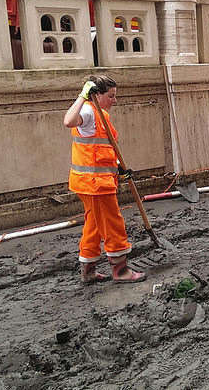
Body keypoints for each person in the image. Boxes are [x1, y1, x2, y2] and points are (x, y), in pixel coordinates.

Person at [63, 75, 146, 284]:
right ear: (97, 95)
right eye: (111, 96)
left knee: (93, 225)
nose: (115, 100)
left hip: (92, 182)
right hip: (95, 184)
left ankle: (88, 270)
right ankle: (120, 270)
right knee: (112, 224)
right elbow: (68, 121)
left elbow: (103, 149)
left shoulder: (102, 115)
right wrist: (82, 96)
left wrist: (118, 169)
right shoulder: (88, 111)